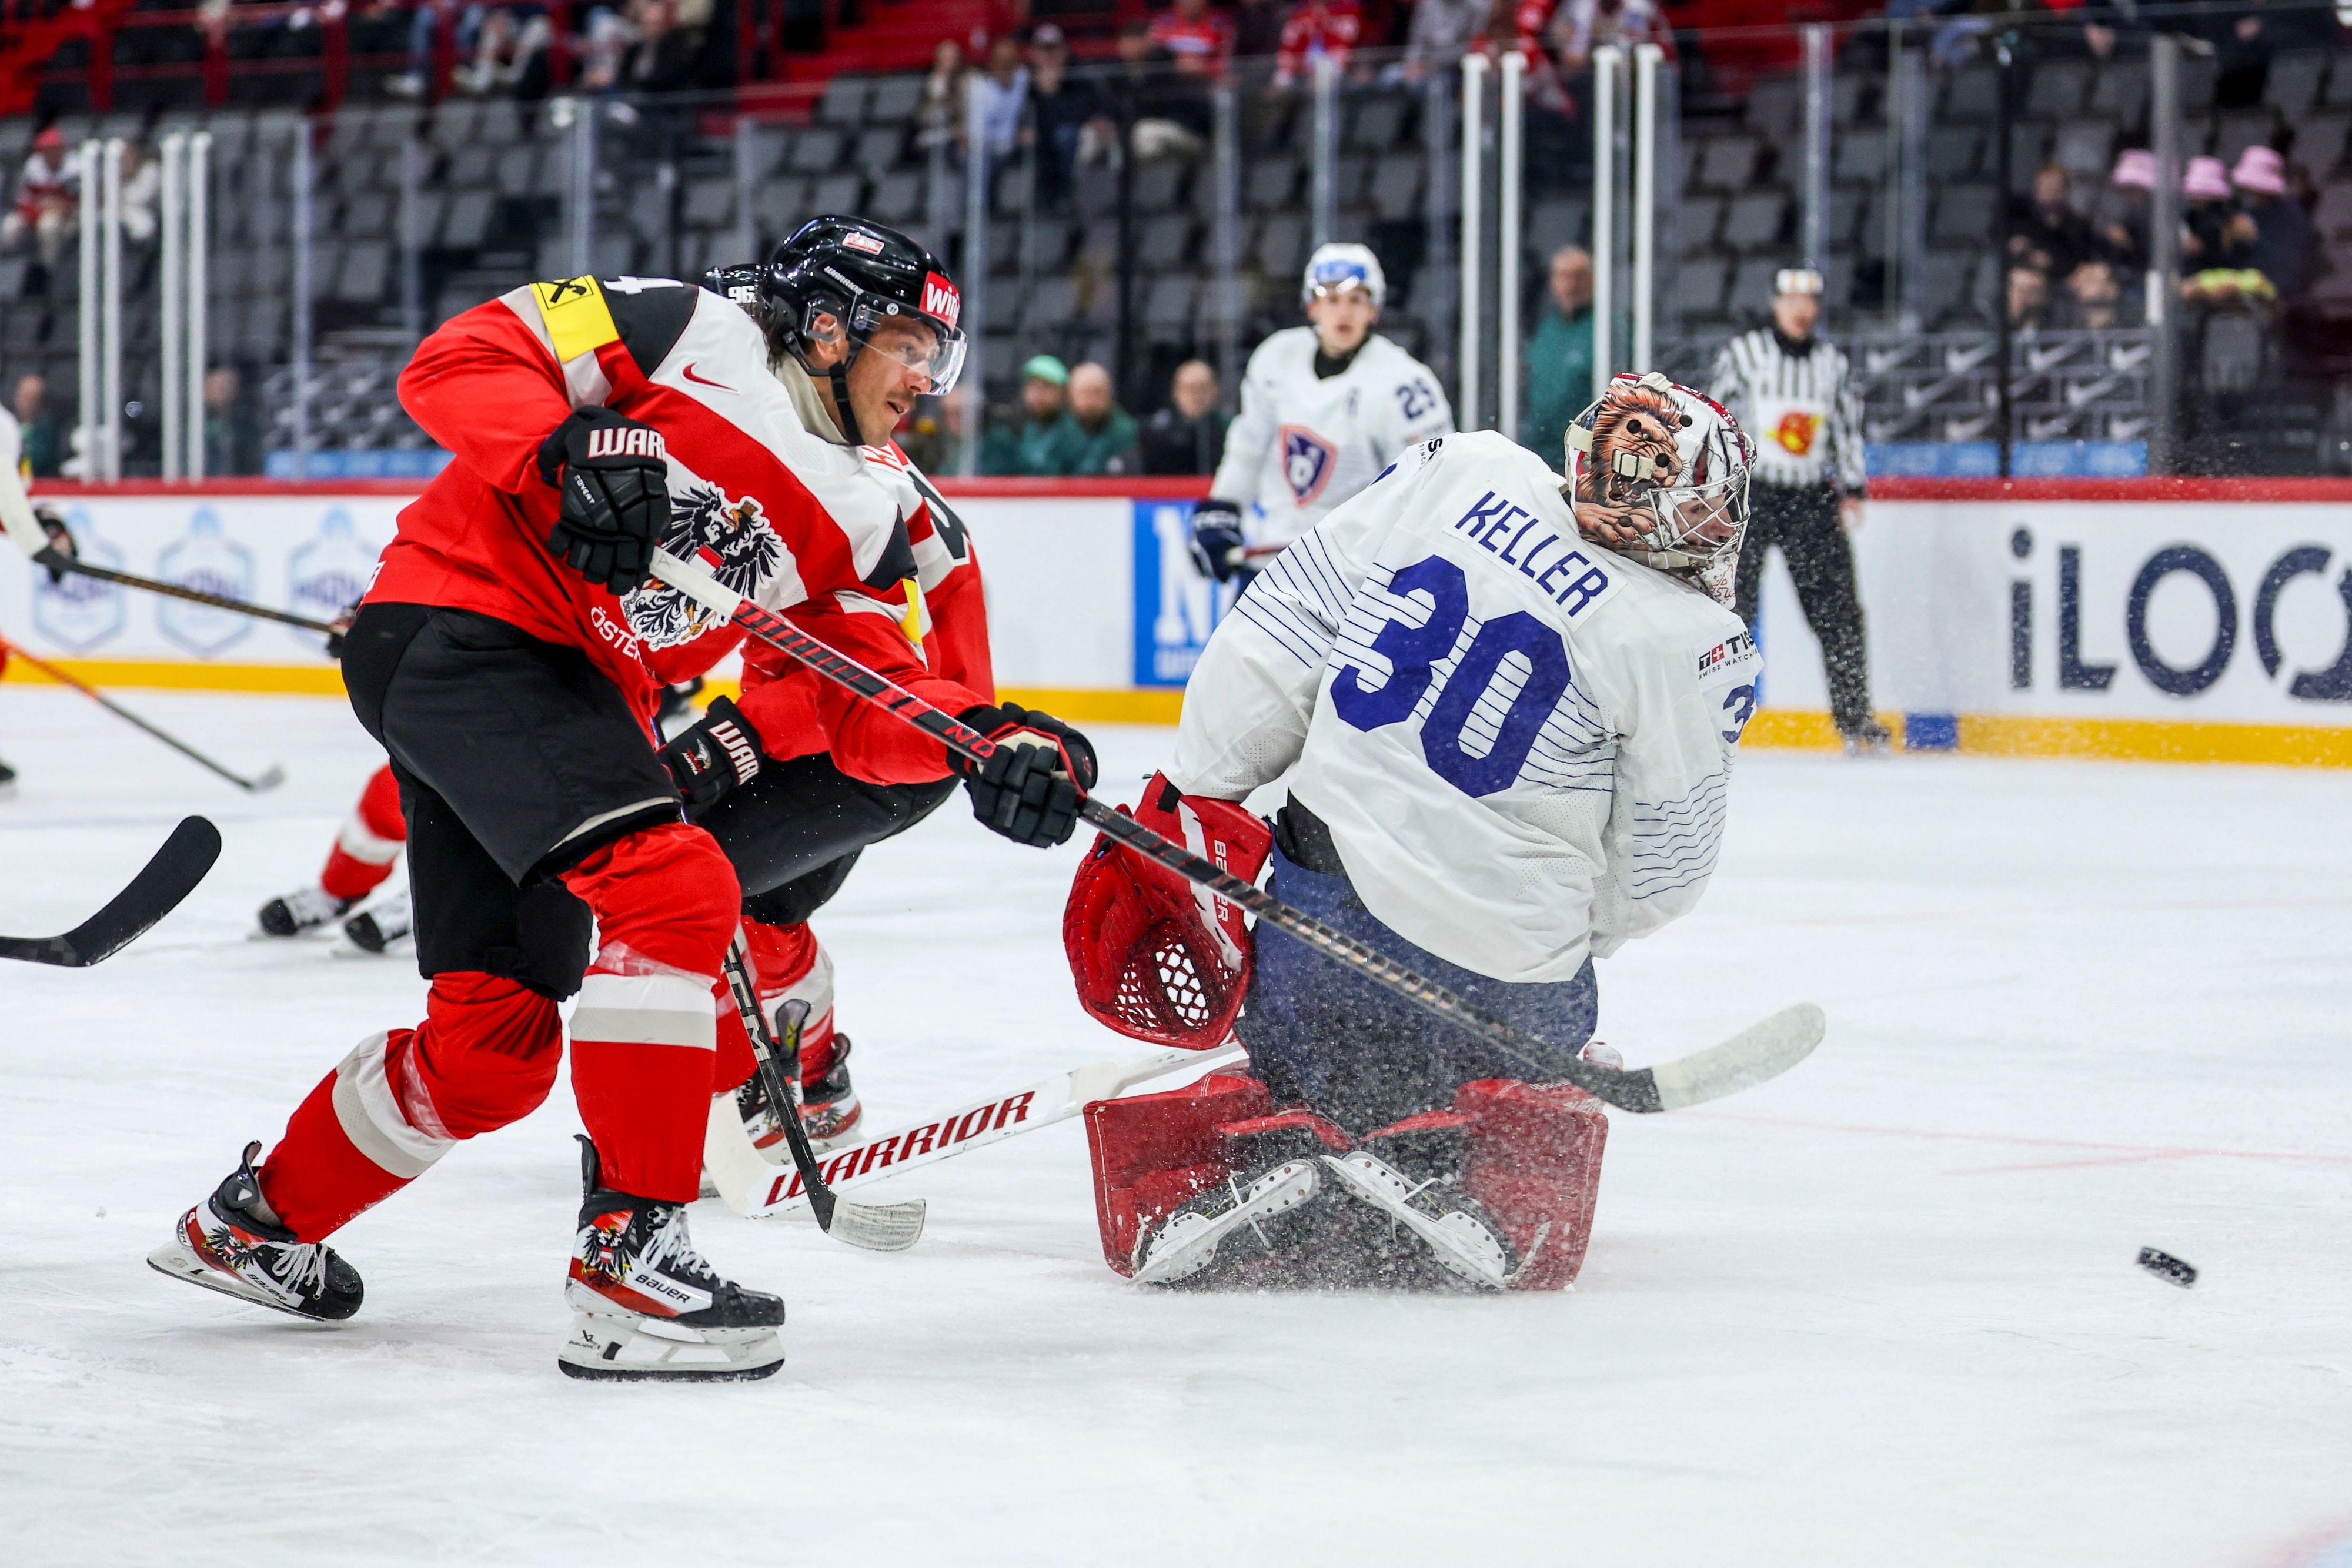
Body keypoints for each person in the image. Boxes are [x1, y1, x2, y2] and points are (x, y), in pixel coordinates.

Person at [146, 222, 1093, 1382]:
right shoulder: (681, 327)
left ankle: (253, 1222)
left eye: (935, 358)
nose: (922, 382)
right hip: (472, 624)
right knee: (677, 886)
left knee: (492, 1046)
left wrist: (976, 740)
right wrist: (566, 442)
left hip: (566, 682)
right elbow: (456, 358)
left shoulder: (863, 511)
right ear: (830, 324)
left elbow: (857, 691)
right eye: (907, 345)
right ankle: (630, 1256)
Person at [1073, 373, 1758, 1290]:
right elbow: (1662, 874)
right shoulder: (1696, 640)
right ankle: (1464, 1156)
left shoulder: (1462, 470)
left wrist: (1195, 784)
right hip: (1498, 987)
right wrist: (1560, 937)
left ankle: (1274, 1130)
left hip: (1317, 937)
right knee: (1555, 1039)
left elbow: (1281, 629)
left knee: (1304, 1052)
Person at [1190, 243, 1454, 584]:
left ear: (1374, 310)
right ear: (1312, 307)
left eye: (1356, 300)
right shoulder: (1277, 358)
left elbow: (1427, 488)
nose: (1343, 313)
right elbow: (1249, 447)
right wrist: (1223, 507)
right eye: (1331, 300)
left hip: (1353, 577)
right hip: (1272, 566)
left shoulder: (1406, 384)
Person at [1708, 267, 1885, 755]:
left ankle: (1855, 718)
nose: (1802, 310)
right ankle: (1715, 713)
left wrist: (1852, 486)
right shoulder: (1746, 356)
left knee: (1838, 610)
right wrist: (1716, 486)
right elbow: (1716, 419)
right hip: (1753, 496)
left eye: (1810, 300)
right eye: (1793, 300)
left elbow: (1847, 427)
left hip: (1809, 497)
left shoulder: (1832, 363)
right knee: (1732, 610)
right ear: (1775, 304)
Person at [1519, 244, 1596, 463]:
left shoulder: (1608, 331)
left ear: (1592, 280)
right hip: (1538, 452)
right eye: (1563, 276)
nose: (1570, 286)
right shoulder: (1547, 329)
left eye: (1578, 277)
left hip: (1584, 457)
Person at [2227, 145, 2317, 301]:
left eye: (2252, 189)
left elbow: (2291, 268)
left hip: (2283, 299)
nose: (2248, 193)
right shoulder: (2247, 212)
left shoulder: (2292, 217)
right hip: (2249, 298)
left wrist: (2254, 239)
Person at [981, 354, 1085, 475]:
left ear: (1063, 393)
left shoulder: (1076, 434)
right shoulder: (1006, 430)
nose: (1039, 394)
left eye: (1047, 387)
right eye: (1034, 386)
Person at [3, 127, 78, 272]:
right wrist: (39, 208)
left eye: (53, 150)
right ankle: (10, 269)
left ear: (61, 149)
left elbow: (78, 201)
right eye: (45, 150)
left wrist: (57, 206)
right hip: (38, 211)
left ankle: (50, 271)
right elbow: (23, 200)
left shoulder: (75, 166)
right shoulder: (34, 166)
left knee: (48, 226)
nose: (49, 154)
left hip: (69, 217)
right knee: (11, 225)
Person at [1140, 359, 1228, 475]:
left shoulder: (1229, 429)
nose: (1196, 396)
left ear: (1215, 390)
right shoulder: (1157, 431)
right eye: (1189, 388)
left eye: (1202, 388)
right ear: (1176, 392)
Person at [2009, 163, 2094, 280]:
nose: (2049, 192)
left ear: (2065, 192)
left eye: (2056, 188)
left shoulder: (2077, 225)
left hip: (2061, 282)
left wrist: (2050, 262)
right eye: (2044, 186)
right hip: (2022, 276)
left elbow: (2079, 261)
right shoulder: (2020, 215)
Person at [1065, 361, 1139, 475]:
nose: (1090, 401)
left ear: (1109, 394)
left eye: (1097, 392)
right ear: (1071, 396)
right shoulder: (1061, 427)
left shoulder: (1126, 431)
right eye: (1084, 393)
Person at [1274, 0, 1363, 88]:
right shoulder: (1301, 14)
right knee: (1282, 80)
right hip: (1301, 74)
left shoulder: (1349, 11)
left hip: (1340, 73)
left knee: (1327, 71)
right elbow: (1287, 51)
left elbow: (1344, 50)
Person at [202, 366, 264, 477]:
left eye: (228, 386)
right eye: (217, 387)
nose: (222, 392)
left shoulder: (245, 424)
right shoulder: (192, 422)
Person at [12, 375, 61, 479]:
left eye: (32, 398)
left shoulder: (48, 432)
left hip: (40, 483)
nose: (26, 402)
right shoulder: (7, 427)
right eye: (23, 396)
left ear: (41, 402)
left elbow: (44, 462)